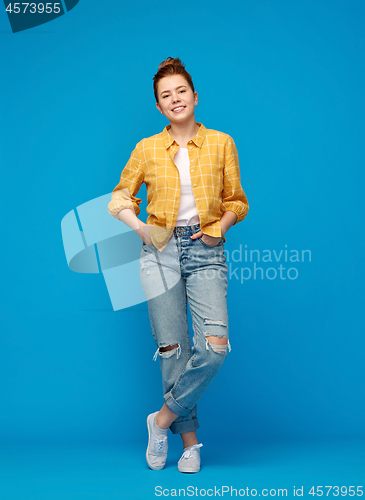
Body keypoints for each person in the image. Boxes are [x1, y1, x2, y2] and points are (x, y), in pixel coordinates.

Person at [108, 57, 249, 473]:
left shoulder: (222, 142)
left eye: (180, 91)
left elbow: (237, 200)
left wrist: (218, 229)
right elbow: (120, 196)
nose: (175, 99)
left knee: (214, 348)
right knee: (173, 351)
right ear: (158, 106)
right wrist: (140, 229)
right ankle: (189, 444)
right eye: (165, 95)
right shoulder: (147, 148)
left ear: (194, 96)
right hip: (160, 251)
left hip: (205, 247)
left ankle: (161, 419)